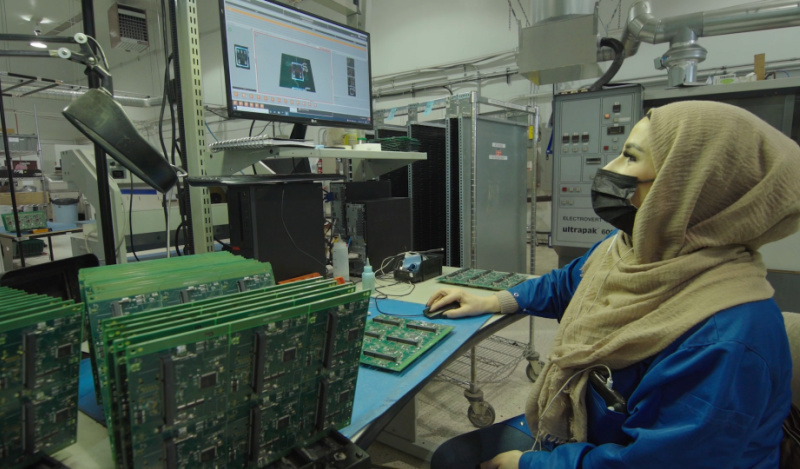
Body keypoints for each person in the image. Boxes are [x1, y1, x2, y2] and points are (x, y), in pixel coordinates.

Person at [426, 100, 800, 469]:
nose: (608, 168)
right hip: (591, 429)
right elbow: (568, 284)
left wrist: (530, 465)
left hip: (624, 453)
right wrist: (494, 301)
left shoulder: (728, 338)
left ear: (690, 187)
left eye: (630, 158)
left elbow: (654, 463)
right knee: (452, 457)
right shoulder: (630, 249)